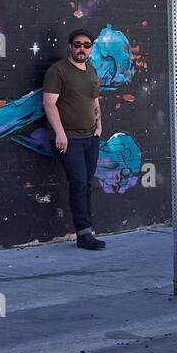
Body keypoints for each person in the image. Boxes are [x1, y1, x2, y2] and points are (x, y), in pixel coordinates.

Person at [43, 28, 106, 251]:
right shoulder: (58, 70)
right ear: (70, 46)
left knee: (87, 184)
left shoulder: (90, 69)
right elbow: (49, 103)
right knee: (79, 183)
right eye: (77, 44)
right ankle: (84, 235)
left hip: (91, 137)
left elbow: (94, 100)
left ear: (91, 48)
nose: (82, 49)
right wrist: (59, 133)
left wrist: (99, 123)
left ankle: (88, 229)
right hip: (69, 139)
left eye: (86, 45)